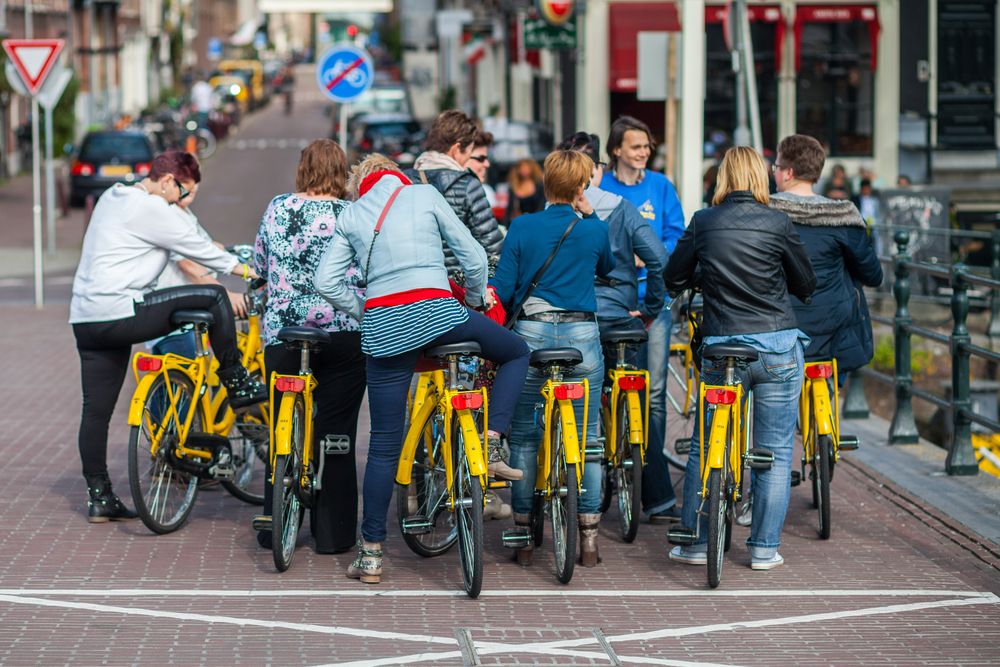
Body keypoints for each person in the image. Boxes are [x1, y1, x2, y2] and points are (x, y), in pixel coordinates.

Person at [314, 154, 530, 584]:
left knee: (383, 445)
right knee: (515, 352)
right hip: (439, 316)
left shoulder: (353, 214)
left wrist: (366, 310)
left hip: (383, 330)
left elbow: (326, 281)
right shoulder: (424, 194)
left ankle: (372, 554)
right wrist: (470, 298)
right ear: (396, 173)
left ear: (362, 184)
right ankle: (490, 442)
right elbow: (472, 255)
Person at [70, 150, 266, 523]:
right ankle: (235, 379)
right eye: (182, 192)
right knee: (214, 297)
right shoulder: (154, 208)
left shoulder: (115, 195)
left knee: (95, 411)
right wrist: (248, 272)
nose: (182, 202)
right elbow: (200, 250)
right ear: (166, 181)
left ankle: (100, 496)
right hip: (122, 312)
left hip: (86, 320)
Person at [664, 146, 816, 571]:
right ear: (761, 177)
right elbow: (806, 282)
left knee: (703, 446)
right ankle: (765, 548)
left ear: (723, 178)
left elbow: (672, 277)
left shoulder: (704, 222)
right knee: (776, 449)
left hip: (722, 347)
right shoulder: (778, 222)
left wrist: (705, 273)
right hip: (776, 349)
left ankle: (696, 543)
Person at [491, 149, 615, 568]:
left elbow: (503, 291)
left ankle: (525, 537)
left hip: (532, 336)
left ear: (546, 183)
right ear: (581, 187)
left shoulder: (523, 227)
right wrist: (591, 214)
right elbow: (610, 265)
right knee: (590, 440)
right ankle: (590, 540)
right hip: (581, 336)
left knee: (524, 437)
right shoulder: (592, 230)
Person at [254, 139, 367, 554]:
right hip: (342, 332)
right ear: (343, 174)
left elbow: (260, 266)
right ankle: (333, 534)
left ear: (302, 170)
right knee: (337, 433)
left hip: (285, 334)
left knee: (281, 423)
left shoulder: (277, 208)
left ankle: (274, 523)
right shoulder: (353, 214)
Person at [600, 115, 684, 523]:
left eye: (647, 146)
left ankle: (651, 486)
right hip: (615, 300)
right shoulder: (601, 187)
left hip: (654, 297)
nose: (643, 153)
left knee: (653, 393)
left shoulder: (661, 186)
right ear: (616, 150)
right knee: (601, 390)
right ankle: (602, 471)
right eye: (636, 146)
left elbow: (676, 235)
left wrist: (647, 248)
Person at [556, 131, 667, 386]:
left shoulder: (553, 209)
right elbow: (659, 259)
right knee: (634, 382)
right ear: (595, 169)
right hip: (619, 311)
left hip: (572, 316)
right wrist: (651, 308)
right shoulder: (622, 207)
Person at [771, 134, 882, 379]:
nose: (774, 173)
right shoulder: (842, 217)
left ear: (788, 173)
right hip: (830, 330)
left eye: (776, 167)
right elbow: (874, 275)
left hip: (776, 327)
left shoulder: (763, 214)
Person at [150, 177, 248, 359]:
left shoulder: (182, 212)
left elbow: (202, 246)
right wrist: (226, 294)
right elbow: (188, 264)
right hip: (177, 320)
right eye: (186, 180)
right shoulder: (172, 215)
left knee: (174, 382)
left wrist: (220, 250)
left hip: (167, 316)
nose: (193, 186)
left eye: (196, 179)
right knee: (191, 379)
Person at [405, 109, 504, 282]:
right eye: (469, 150)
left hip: (414, 288)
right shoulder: (467, 185)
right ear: (457, 148)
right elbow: (493, 251)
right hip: (457, 293)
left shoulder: (404, 181)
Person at [502, 158, 546, 228]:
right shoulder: (513, 186)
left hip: (536, 223)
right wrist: (504, 226)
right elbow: (509, 209)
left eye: (526, 167)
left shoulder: (539, 186)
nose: (523, 170)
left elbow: (542, 205)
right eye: (521, 167)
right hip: (519, 223)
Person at [468, 129, 498, 210]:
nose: (487, 164)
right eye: (481, 158)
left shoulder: (487, 191)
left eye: (487, 159)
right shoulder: (444, 195)